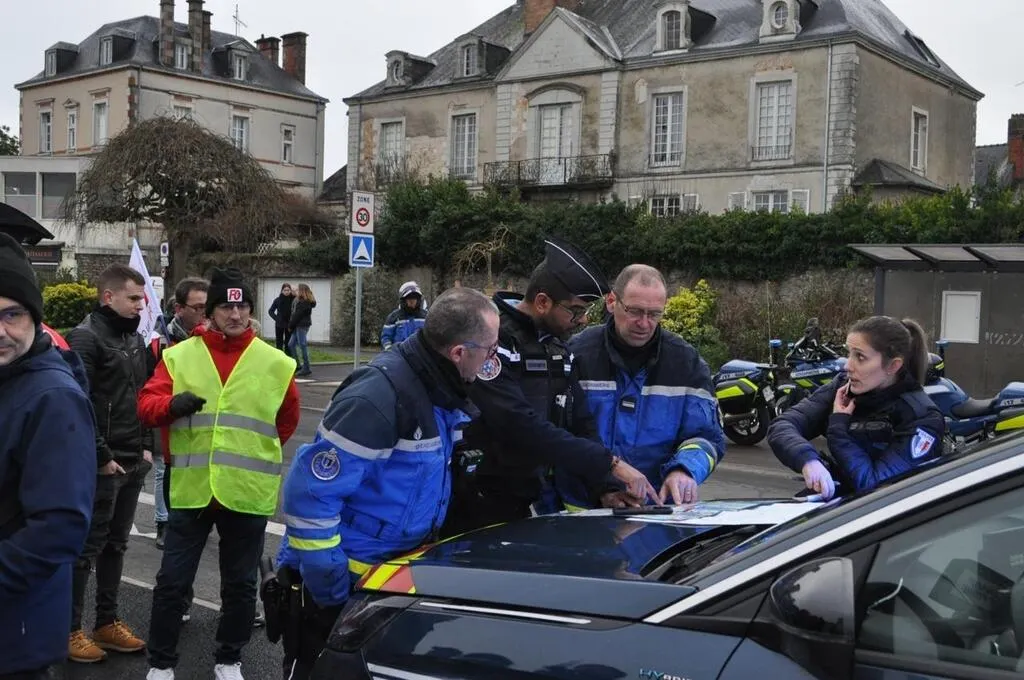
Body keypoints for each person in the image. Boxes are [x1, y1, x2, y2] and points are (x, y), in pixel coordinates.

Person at [274, 287, 497, 680]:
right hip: (346, 586)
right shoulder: (379, 396)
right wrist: (330, 591)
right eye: (490, 350)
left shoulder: (438, 388)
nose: (493, 361)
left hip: (388, 582)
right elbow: (309, 498)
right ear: (459, 352)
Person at [139, 267, 300, 680]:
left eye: (242, 306)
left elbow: (285, 422)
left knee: (241, 586)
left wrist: (246, 451)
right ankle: (161, 663)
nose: (235, 314)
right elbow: (146, 406)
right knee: (172, 582)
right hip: (192, 490)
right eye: (226, 307)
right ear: (210, 312)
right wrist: (171, 406)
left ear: (251, 310)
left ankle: (229, 659)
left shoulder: (277, 363)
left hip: (245, 490)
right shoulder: (179, 356)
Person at [440, 238, 657, 539]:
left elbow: (580, 423)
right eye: (575, 311)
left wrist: (605, 487)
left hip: (522, 502)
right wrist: (611, 464)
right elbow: (520, 425)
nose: (582, 320)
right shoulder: (495, 343)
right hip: (471, 503)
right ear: (542, 302)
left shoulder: (558, 349)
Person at [0, 234, 97, 680]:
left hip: (15, 636)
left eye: (12, 315)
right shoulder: (10, 379)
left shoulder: (52, 397)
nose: (0, 330)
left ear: (35, 320)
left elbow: (58, 528)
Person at [558, 264, 727, 509]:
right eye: (635, 311)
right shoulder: (576, 355)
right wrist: (602, 485)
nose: (644, 323)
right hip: (582, 513)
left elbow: (707, 437)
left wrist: (684, 470)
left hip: (657, 512)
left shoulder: (685, 362)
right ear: (611, 302)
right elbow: (555, 439)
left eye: (654, 314)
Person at [65, 263, 154, 664]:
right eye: (133, 298)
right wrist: (101, 457)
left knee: (116, 545)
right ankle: (69, 630)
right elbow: (77, 402)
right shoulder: (85, 338)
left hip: (132, 460)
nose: (141, 305)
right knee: (86, 550)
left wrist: (147, 447)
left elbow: (142, 394)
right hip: (103, 465)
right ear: (108, 297)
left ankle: (106, 622)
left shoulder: (134, 338)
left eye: (142, 298)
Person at [767, 316, 946, 500]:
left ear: (893, 366)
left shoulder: (923, 417)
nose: (847, 366)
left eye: (860, 357)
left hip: (880, 515)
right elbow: (782, 425)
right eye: (849, 353)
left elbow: (874, 490)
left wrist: (838, 429)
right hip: (838, 503)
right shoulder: (844, 386)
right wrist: (808, 460)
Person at [152, 277, 209, 550]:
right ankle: (163, 522)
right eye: (197, 308)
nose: (204, 314)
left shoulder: (211, 340)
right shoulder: (161, 341)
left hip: (203, 424)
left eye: (207, 307)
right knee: (164, 469)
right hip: (170, 419)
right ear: (179, 308)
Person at [380, 281, 427, 351]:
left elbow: (431, 337)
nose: (412, 301)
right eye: (409, 298)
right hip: (399, 354)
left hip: (419, 354)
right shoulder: (394, 317)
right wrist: (389, 351)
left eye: (414, 298)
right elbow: (386, 337)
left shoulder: (425, 317)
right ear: (403, 300)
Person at [287, 284, 316, 377]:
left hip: (301, 325)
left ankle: (306, 367)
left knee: (302, 345)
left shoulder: (304, 302)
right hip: (299, 325)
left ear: (302, 291)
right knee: (291, 344)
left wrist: (290, 325)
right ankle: (298, 365)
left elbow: (297, 315)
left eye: (297, 290)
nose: (296, 291)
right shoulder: (302, 301)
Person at [268, 283, 294, 351]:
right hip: (279, 324)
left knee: (288, 342)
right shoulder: (277, 300)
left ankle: (287, 355)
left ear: (290, 291)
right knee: (279, 342)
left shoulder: (293, 300)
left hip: (289, 324)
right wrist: (277, 318)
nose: (286, 292)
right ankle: (279, 355)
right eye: (285, 290)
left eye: (288, 290)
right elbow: (270, 311)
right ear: (282, 291)